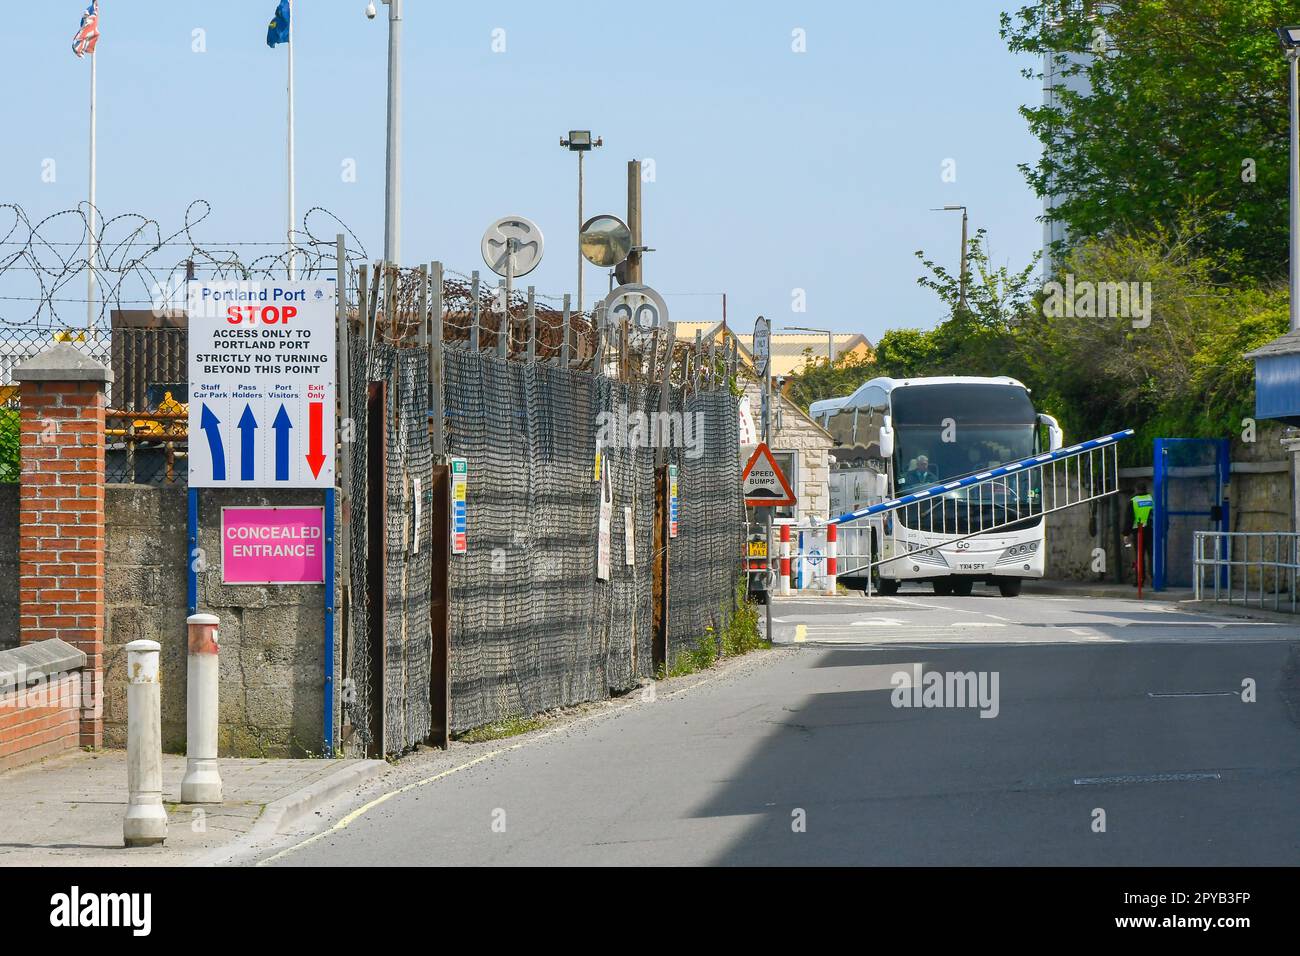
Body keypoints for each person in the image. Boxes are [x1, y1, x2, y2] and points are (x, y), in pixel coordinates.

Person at [1126, 481, 1154, 585]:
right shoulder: (1151, 499)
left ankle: (1140, 580)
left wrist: (1126, 533)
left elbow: (1129, 518)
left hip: (1138, 530)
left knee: (1139, 556)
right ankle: (1154, 578)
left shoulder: (1133, 501)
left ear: (1136, 489)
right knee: (1152, 555)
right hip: (1151, 530)